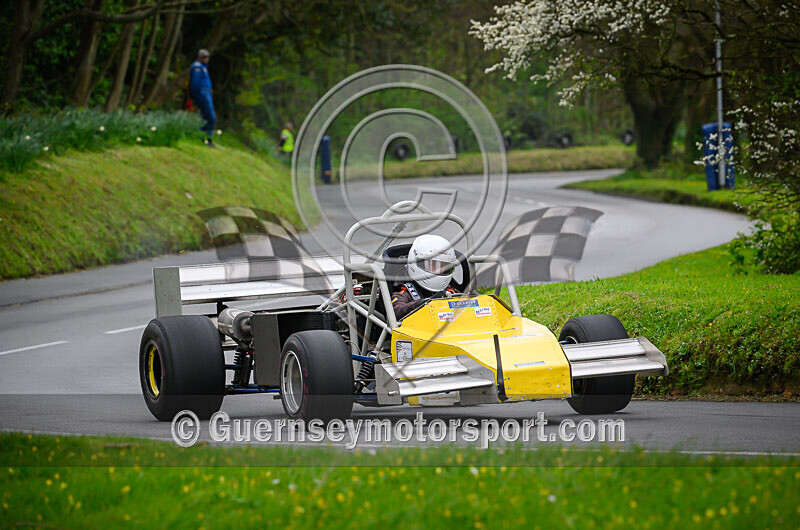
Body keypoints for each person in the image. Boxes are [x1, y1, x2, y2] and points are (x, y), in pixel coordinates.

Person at [391, 234, 459, 320]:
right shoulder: (405, 292)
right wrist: (423, 303)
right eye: (432, 264)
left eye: (443, 266)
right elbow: (396, 311)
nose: (438, 270)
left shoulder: (450, 291)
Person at [189, 49, 216, 148]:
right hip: (202, 95)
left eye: (207, 57)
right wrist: (195, 96)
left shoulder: (204, 67)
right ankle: (206, 138)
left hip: (207, 94)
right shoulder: (197, 67)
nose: (206, 58)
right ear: (199, 57)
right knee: (211, 117)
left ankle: (203, 137)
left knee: (205, 117)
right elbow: (194, 84)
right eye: (204, 57)